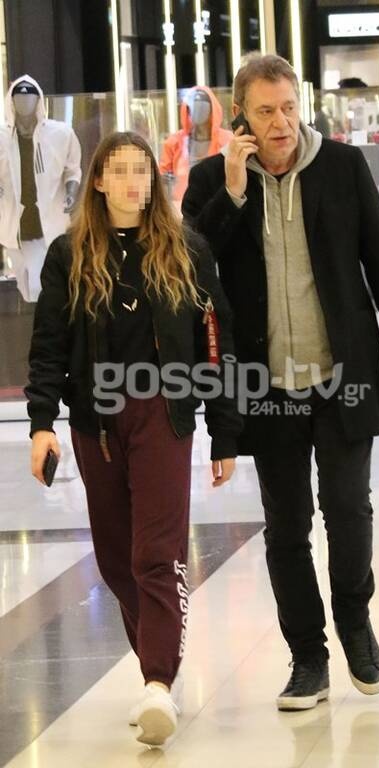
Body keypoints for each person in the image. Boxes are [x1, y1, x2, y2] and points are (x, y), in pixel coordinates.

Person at [182, 54, 379, 711]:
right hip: (267, 387)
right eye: (265, 111)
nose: (281, 122)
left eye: (288, 107)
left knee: (348, 510)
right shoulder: (212, 178)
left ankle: (354, 622)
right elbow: (190, 267)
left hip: (340, 377)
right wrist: (233, 191)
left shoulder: (342, 167)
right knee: (286, 526)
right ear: (241, 117)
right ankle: (308, 657)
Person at [25, 131, 241, 745]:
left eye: (141, 170)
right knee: (117, 559)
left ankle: (158, 682)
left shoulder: (186, 249)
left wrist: (225, 431)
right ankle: (157, 666)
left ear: (154, 180)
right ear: (97, 181)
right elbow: (48, 346)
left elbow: (214, 341)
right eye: (118, 171)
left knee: (157, 551)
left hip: (162, 415)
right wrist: (41, 424)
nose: (131, 182)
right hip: (95, 423)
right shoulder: (69, 255)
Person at [0, 74, 81, 302]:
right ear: (11, 101)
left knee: (48, 283)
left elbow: (72, 169)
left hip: (50, 222)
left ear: (38, 101)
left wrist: (71, 193)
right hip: (13, 225)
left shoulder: (60, 134)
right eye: (19, 98)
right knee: (25, 286)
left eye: (29, 98)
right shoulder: (2, 138)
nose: (24, 103)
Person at [159, 85, 232, 205]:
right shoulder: (174, 142)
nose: (197, 112)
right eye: (193, 107)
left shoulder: (227, 141)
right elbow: (162, 175)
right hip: (180, 206)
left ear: (212, 110)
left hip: (218, 206)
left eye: (202, 107)